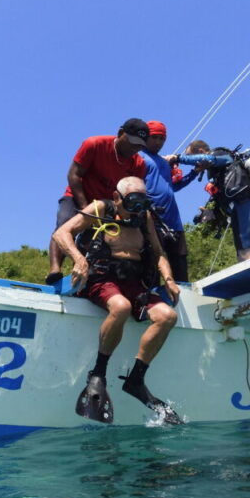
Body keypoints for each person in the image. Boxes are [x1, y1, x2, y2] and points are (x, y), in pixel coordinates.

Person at [52, 176, 183, 425]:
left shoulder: (144, 218)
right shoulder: (102, 209)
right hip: (102, 278)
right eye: (132, 201)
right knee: (120, 307)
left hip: (134, 283)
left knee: (167, 316)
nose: (137, 207)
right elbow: (61, 233)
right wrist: (79, 259)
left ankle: (136, 380)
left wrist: (169, 278)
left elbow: (158, 252)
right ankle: (98, 374)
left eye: (142, 201)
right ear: (117, 197)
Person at [45, 119, 149, 284]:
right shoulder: (94, 144)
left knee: (105, 236)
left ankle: (94, 274)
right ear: (120, 133)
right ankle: (55, 269)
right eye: (132, 142)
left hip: (109, 203)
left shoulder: (139, 164)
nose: (134, 148)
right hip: (78, 194)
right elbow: (73, 174)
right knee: (65, 223)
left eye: (140, 146)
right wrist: (84, 206)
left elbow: (133, 193)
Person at [141, 122, 207, 281]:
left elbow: (173, 187)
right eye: (154, 137)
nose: (158, 142)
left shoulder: (164, 162)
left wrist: (193, 173)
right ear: (145, 137)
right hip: (152, 221)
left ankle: (182, 299)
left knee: (180, 267)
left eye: (162, 138)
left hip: (174, 222)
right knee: (153, 266)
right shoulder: (139, 158)